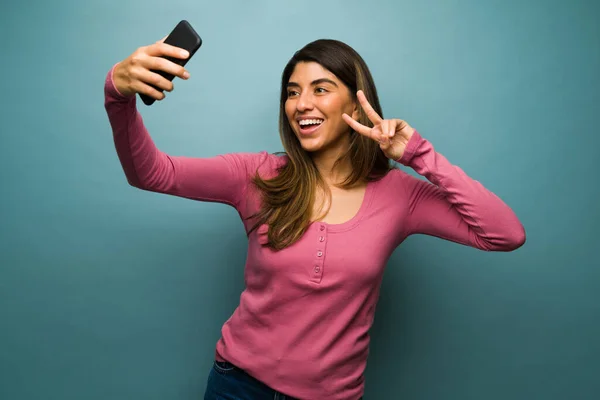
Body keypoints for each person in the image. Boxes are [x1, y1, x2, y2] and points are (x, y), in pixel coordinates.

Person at [104, 36, 526, 400]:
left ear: (357, 105)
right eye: (292, 92)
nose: (301, 104)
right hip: (236, 387)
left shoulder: (401, 195)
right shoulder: (257, 175)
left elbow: (504, 234)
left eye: (320, 89)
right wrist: (117, 95)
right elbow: (153, 174)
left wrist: (417, 154)